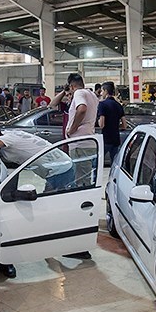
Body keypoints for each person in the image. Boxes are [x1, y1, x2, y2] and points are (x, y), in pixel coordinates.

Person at [0, 122, 77, 277]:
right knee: (57, 208)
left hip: (60, 171)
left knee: (55, 211)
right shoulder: (12, 134)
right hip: (63, 164)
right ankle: (73, 246)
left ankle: (73, 247)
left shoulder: (8, 139)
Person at [64, 72, 99, 261]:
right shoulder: (92, 94)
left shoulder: (79, 94)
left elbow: (82, 110)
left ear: (71, 85)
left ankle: (79, 241)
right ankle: (81, 238)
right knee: (84, 184)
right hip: (88, 143)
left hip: (80, 144)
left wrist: (72, 129)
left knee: (80, 190)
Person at [97, 82, 126, 164]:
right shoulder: (118, 105)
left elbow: (101, 125)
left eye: (102, 91)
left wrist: (99, 120)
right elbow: (124, 125)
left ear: (106, 91)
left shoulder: (102, 104)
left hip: (106, 139)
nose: (101, 93)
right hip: (116, 139)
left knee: (97, 163)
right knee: (114, 164)